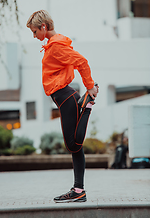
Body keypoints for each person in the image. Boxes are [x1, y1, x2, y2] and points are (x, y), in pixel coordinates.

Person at [26, 10, 99, 203]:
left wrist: (90, 87)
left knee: (73, 144)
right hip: (65, 97)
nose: (34, 37)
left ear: (43, 27)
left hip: (66, 97)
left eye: (34, 32)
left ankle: (88, 104)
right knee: (76, 148)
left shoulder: (57, 46)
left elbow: (81, 61)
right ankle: (78, 190)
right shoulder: (53, 45)